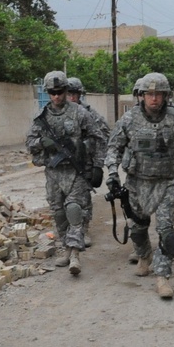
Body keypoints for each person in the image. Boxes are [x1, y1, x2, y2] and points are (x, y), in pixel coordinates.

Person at [105, 72, 174, 299]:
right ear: (141, 96)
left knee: (166, 230)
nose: (154, 98)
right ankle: (144, 254)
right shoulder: (129, 119)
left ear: (166, 96)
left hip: (166, 182)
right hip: (137, 183)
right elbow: (113, 148)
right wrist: (111, 173)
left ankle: (162, 276)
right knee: (137, 228)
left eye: (158, 94)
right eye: (149, 94)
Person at [27, 71, 106, 276]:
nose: (56, 97)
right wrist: (42, 142)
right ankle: (66, 247)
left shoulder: (80, 113)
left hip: (75, 172)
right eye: (52, 93)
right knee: (59, 214)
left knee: (73, 210)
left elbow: (98, 138)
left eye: (60, 92)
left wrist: (96, 164)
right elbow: (29, 143)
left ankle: (75, 255)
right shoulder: (42, 118)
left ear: (66, 90)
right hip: (54, 174)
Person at [66, 77, 110, 248]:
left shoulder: (89, 114)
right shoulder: (58, 113)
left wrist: (98, 164)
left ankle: (83, 229)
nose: (71, 97)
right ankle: (69, 230)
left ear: (80, 94)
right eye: (68, 94)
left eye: (74, 94)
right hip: (64, 165)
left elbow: (104, 137)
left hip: (84, 163)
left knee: (83, 197)